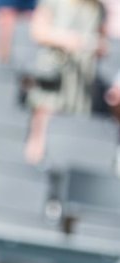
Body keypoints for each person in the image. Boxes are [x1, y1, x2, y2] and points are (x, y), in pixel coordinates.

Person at [23, 0, 106, 164]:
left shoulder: (97, 8)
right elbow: (37, 31)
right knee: (42, 131)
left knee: (71, 137)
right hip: (54, 74)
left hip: (81, 82)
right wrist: (70, 39)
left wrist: (95, 45)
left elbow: (102, 42)